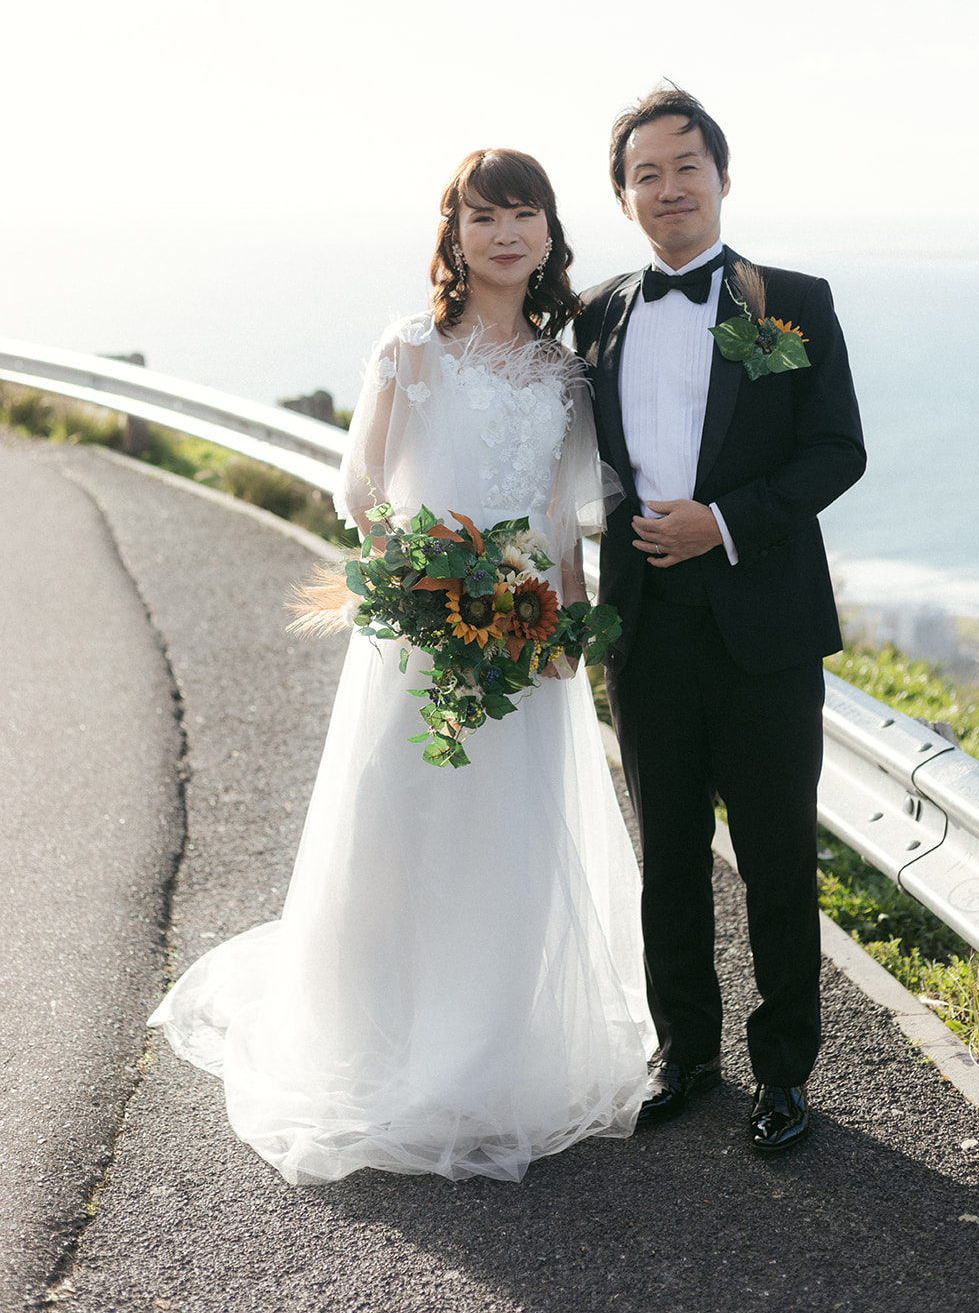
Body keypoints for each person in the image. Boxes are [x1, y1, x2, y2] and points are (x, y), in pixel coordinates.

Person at [149, 148, 655, 1185]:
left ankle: (490, 1048)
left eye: (523, 215)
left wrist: (564, 625)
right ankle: (379, 1037)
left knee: (509, 835)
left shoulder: (564, 375)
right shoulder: (412, 349)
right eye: (484, 217)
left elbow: (561, 521)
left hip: (521, 641)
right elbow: (362, 492)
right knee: (401, 826)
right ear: (453, 235)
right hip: (423, 634)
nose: (504, 234)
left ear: (550, 234)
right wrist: (427, 580)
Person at [573, 86, 865, 1153]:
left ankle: (782, 1071)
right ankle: (685, 1051)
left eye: (684, 166)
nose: (668, 188)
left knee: (777, 853)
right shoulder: (595, 315)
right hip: (644, 625)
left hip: (764, 626)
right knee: (669, 853)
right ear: (623, 197)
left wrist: (724, 523)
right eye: (644, 174)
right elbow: (573, 459)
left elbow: (836, 450)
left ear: (722, 177)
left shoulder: (790, 302)